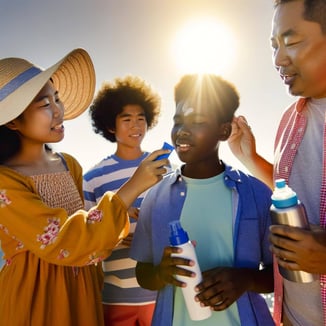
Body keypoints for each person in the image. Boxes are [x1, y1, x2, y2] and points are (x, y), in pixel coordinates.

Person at [0, 48, 170, 326]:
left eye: (57, 98)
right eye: (44, 105)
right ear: (13, 121)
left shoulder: (70, 165)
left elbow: (88, 228)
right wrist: (132, 187)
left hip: (84, 290)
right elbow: (63, 240)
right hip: (36, 297)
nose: (58, 111)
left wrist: (123, 213)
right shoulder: (5, 181)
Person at [130, 74, 275, 325]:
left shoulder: (256, 193)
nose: (182, 131)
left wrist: (246, 280)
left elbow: (280, 274)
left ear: (224, 130)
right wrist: (160, 273)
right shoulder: (155, 197)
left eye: (196, 122)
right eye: (177, 122)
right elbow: (143, 272)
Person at [228, 1, 326, 325]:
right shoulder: (290, 120)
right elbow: (295, 195)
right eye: (274, 46)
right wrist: (249, 158)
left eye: (292, 41)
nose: (278, 59)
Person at [83, 75, 161, 326]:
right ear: (110, 126)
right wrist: (116, 237)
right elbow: (86, 238)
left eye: (141, 118)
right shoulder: (93, 178)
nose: (135, 125)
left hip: (160, 291)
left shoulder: (163, 168)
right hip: (114, 298)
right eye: (126, 119)